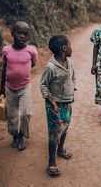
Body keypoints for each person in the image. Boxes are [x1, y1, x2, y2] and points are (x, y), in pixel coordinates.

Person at [40, 35, 76, 176]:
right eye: (70, 45)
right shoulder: (50, 67)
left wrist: (74, 88)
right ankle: (51, 162)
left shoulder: (69, 62)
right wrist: (52, 103)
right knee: (54, 131)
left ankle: (60, 149)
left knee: (65, 126)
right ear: (64, 48)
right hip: (54, 105)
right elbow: (43, 86)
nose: (71, 48)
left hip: (67, 102)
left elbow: (73, 77)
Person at [0, 21, 38, 151]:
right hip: (9, 88)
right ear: (12, 34)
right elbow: (4, 69)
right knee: (12, 115)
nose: (22, 36)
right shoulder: (6, 50)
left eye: (25, 34)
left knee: (26, 113)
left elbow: (32, 64)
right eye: (19, 33)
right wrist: (2, 90)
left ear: (28, 36)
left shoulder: (31, 51)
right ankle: (15, 135)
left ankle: (22, 135)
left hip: (24, 87)